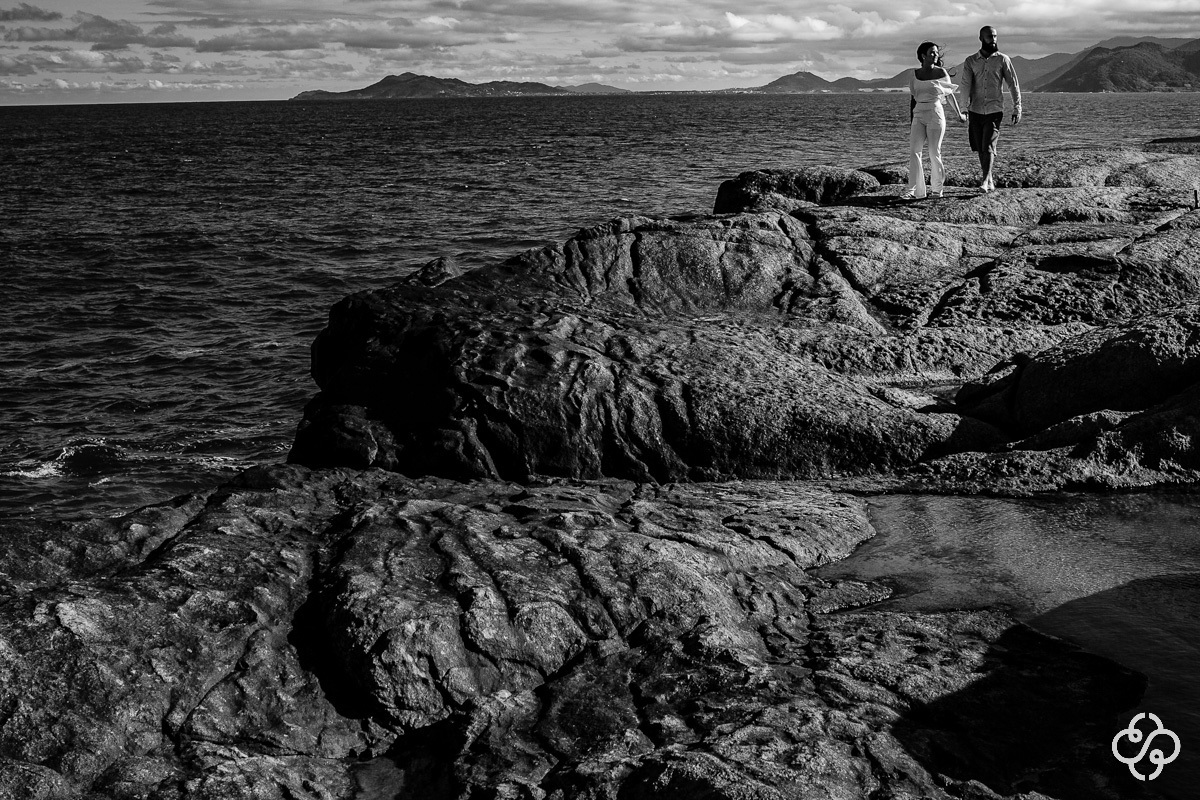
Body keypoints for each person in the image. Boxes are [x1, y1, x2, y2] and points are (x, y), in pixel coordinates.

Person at [959, 25, 1022, 192]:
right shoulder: (971, 61)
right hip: (975, 109)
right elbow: (965, 84)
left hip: (994, 110)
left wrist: (1017, 107)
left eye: (995, 36)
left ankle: (985, 181)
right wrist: (963, 108)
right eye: (989, 36)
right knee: (980, 147)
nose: (993, 39)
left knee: (988, 145)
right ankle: (989, 179)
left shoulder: (1003, 59)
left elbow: (1013, 84)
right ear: (981, 38)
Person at [903, 42, 966, 200]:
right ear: (923, 56)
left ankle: (937, 190)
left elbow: (949, 94)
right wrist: (912, 120)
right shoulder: (914, 74)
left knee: (934, 152)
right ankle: (914, 191)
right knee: (914, 151)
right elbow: (913, 98)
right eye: (932, 52)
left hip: (935, 113)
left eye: (936, 52)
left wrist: (959, 114)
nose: (936, 55)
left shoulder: (941, 72)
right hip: (918, 114)